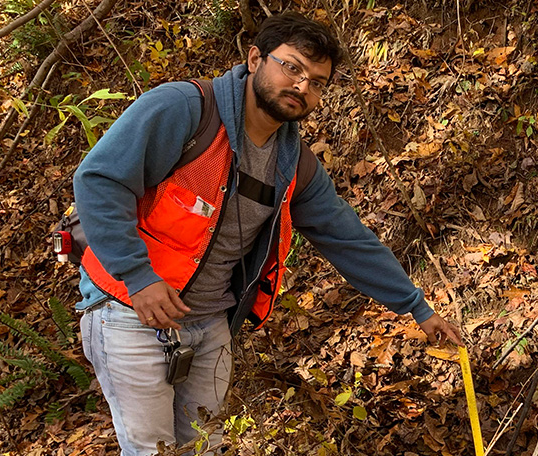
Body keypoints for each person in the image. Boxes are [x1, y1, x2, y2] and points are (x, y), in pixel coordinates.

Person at [72, 12, 462, 455]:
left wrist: (416, 307)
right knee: (151, 450)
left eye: (317, 81)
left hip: (210, 324)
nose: (301, 86)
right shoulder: (185, 109)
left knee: (206, 448)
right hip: (129, 312)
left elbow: (347, 237)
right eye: (292, 67)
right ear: (255, 58)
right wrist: (138, 277)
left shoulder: (293, 163)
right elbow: (100, 180)